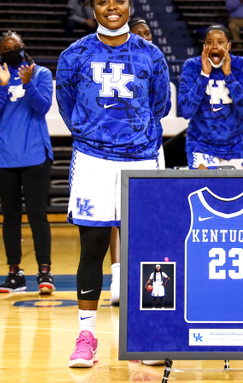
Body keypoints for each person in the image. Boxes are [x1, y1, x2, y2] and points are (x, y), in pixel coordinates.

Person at [56, 0, 170, 368]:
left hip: (140, 160)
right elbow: (67, 106)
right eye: (102, 2)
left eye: (119, 0)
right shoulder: (74, 54)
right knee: (92, 248)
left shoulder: (151, 55)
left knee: (148, 249)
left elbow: (160, 106)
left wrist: (131, 134)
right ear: (93, 10)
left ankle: (148, 331)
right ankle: (86, 336)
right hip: (93, 160)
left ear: (130, 5)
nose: (111, 7)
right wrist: (97, 131)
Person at [0, 31, 54, 295]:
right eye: (6, 47)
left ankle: (45, 271)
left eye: (16, 46)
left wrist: (28, 83)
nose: (12, 50)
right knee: (10, 217)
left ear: (24, 47)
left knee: (38, 215)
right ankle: (15, 274)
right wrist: (2, 85)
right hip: (4, 157)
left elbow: (42, 106)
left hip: (35, 155)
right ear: (0, 53)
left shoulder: (41, 74)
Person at [108, 17, 170, 307]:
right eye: (139, 33)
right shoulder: (116, 65)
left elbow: (164, 106)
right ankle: (118, 278)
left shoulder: (156, 65)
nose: (146, 37)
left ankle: (150, 278)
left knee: (151, 216)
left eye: (149, 33)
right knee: (116, 217)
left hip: (150, 148)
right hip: (115, 150)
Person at [179, 24, 243, 170]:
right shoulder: (192, 66)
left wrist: (229, 76)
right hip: (200, 145)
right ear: (204, 46)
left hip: (234, 145)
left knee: (230, 192)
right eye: (209, 42)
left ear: (229, 45)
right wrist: (204, 75)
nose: (215, 46)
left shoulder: (240, 65)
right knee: (203, 189)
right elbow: (186, 111)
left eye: (220, 42)